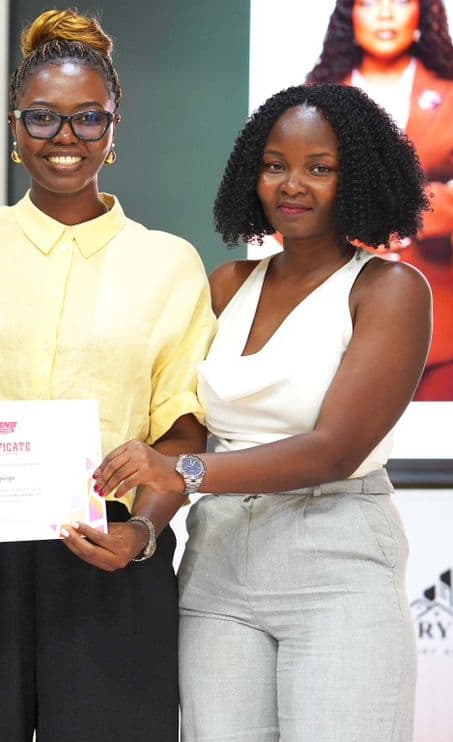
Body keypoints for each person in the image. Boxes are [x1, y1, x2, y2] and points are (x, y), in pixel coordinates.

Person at [0, 9, 215, 741]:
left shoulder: (167, 262)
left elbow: (183, 421)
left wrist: (144, 529)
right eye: (42, 118)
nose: (64, 138)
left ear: (114, 128)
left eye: (87, 119)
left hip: (107, 555)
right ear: (15, 128)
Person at [95, 83, 432, 741]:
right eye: (275, 164)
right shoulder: (227, 285)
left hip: (335, 555)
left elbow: (333, 448)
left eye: (320, 167)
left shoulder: (390, 289)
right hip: (220, 562)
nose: (291, 184)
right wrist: (141, 529)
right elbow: (189, 428)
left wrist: (180, 473)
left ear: (359, 178)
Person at [308, 0, 453, 401]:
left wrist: (411, 209)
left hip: (441, 323)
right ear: (351, 15)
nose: (385, 13)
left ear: (422, 10)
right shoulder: (317, 94)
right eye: (370, 2)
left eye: (401, 0)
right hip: (333, 316)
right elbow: (290, 199)